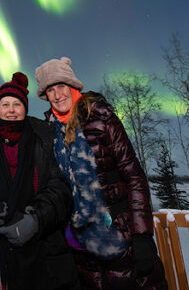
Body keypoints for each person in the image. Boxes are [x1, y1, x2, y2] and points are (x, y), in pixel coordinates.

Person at [35, 57, 168, 289]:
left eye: (61, 87)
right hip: (78, 242)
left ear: (73, 87)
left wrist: (142, 235)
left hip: (120, 232)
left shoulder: (102, 119)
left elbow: (134, 176)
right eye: (51, 90)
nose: (57, 95)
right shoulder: (50, 133)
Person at [0, 72, 80, 290]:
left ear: (25, 109)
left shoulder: (43, 139)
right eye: (5, 104)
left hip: (40, 247)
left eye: (17, 104)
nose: (10, 110)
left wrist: (35, 219)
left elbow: (60, 188)